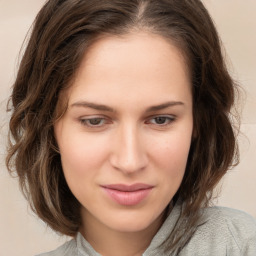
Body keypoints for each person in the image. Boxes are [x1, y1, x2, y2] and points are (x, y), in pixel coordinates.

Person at [6, 0, 256, 255]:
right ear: (47, 126)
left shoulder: (241, 244)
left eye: (161, 119)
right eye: (94, 120)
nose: (129, 162)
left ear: (198, 120)